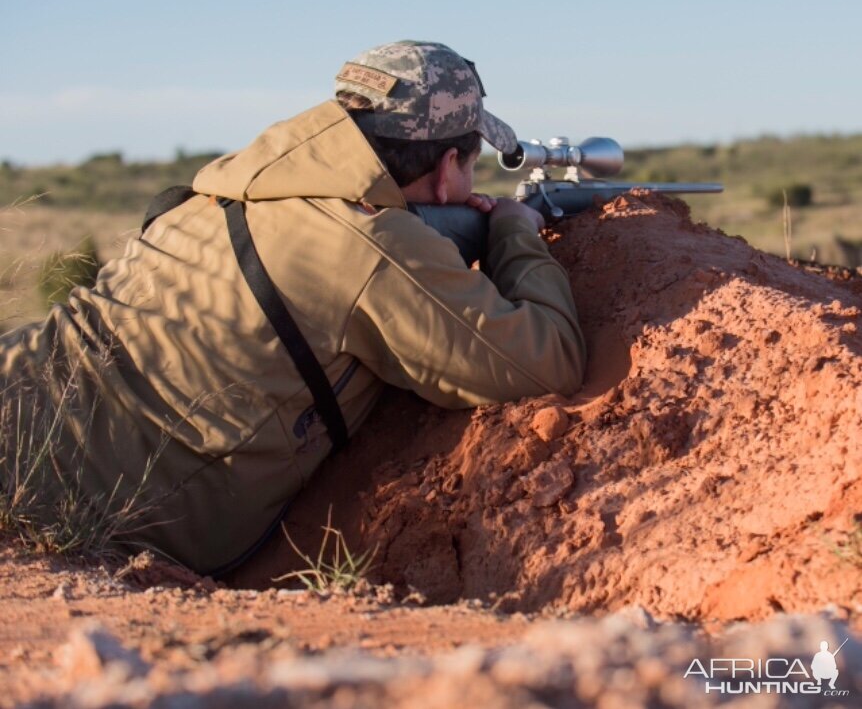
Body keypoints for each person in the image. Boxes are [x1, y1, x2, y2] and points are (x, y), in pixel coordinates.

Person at [0, 40, 586, 574]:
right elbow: (546, 361)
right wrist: (515, 232)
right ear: (444, 172)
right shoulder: (374, 244)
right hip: (76, 509)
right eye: (473, 162)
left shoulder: (236, 179)